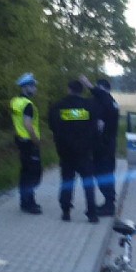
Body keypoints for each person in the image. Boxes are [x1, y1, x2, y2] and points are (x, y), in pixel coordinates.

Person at [48, 80, 99, 223]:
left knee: (67, 181)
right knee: (88, 183)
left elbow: (53, 127)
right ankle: (92, 214)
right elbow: (95, 128)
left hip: (66, 152)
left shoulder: (58, 107)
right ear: (81, 91)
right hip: (84, 152)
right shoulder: (89, 106)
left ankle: (66, 212)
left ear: (69, 89)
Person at [79, 75, 119, 216]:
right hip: (103, 148)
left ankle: (109, 205)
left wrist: (88, 84)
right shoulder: (107, 104)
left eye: (98, 89)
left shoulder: (109, 101)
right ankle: (108, 203)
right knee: (102, 174)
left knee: (104, 175)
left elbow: (100, 96)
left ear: (104, 89)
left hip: (105, 148)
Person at [10, 72, 43, 214]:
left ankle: (25, 202)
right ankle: (29, 203)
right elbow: (28, 124)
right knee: (33, 173)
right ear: (25, 87)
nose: (35, 89)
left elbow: (18, 122)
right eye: (33, 86)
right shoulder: (28, 104)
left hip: (20, 140)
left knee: (25, 173)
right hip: (30, 142)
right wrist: (36, 141)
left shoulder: (15, 101)